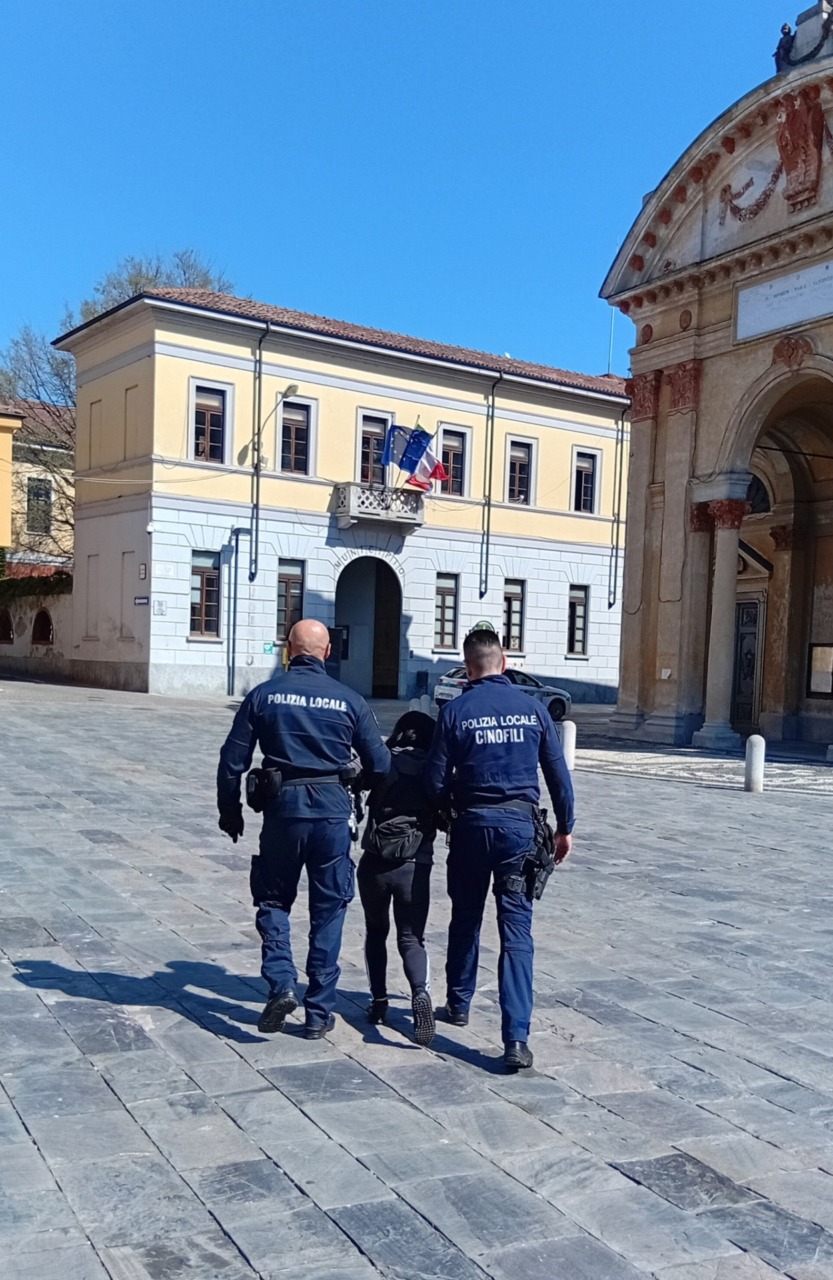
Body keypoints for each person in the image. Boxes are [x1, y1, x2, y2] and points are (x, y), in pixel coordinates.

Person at [217, 619, 390, 1040]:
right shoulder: (349, 700)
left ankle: (280, 983)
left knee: (273, 900)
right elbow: (382, 764)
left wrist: (231, 812)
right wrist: (356, 783)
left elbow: (231, 761)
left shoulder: (263, 696)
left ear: (287, 651)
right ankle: (318, 1012)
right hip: (332, 813)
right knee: (329, 909)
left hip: (283, 812)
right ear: (327, 652)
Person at [424, 629, 574, 1071]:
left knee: (465, 916)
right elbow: (558, 776)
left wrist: (453, 803)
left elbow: (434, 782)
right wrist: (566, 829)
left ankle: (459, 1003)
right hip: (518, 833)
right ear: (504, 662)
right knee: (516, 932)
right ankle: (516, 1039)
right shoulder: (532, 709)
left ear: (468, 667)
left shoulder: (455, 711)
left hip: (471, 827)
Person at [357, 710, 438, 1047]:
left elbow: (356, 785)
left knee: (376, 932)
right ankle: (420, 992)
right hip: (414, 866)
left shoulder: (383, 763)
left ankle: (378, 1002)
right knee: (411, 938)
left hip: (375, 863)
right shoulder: (433, 770)